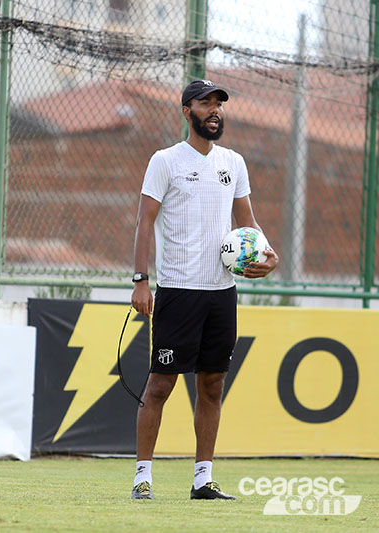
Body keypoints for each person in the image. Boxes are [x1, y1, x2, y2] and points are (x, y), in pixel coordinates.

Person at [129, 79, 279, 500]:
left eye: (218, 104)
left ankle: (202, 480)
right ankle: (142, 477)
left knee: (212, 385)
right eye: (205, 103)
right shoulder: (165, 160)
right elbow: (144, 221)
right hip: (178, 290)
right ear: (186, 111)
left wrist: (268, 254)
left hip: (221, 293)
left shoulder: (234, 162)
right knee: (161, 385)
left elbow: (247, 222)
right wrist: (141, 280)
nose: (214, 110)